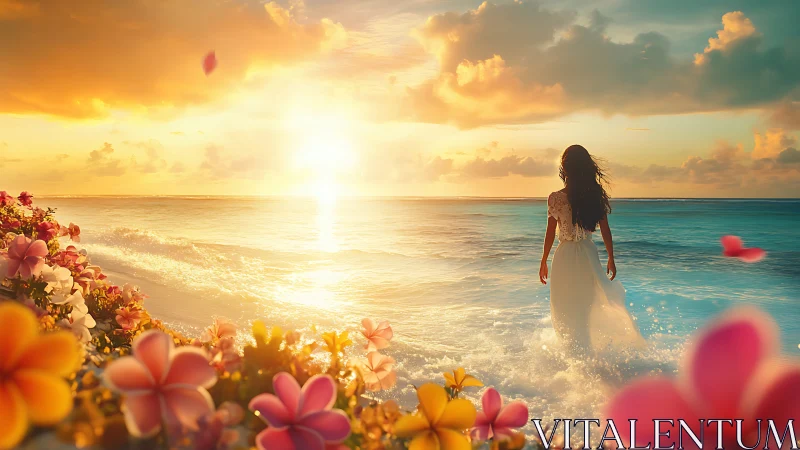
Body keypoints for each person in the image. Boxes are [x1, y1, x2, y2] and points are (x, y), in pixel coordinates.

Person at [539, 145, 644, 352]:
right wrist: (611, 258)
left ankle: (573, 352)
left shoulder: (555, 198)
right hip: (588, 253)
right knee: (587, 303)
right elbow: (605, 230)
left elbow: (550, 232)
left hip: (564, 255)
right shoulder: (593, 195)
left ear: (565, 168)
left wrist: (543, 261)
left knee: (564, 305)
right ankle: (585, 350)